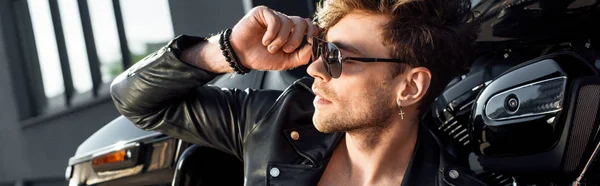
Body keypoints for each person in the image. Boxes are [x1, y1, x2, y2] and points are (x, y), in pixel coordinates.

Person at [110, 0, 485, 185]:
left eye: (338, 58)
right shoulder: (276, 121)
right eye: (323, 50)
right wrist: (228, 52)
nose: (314, 69)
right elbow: (136, 101)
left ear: (410, 86)